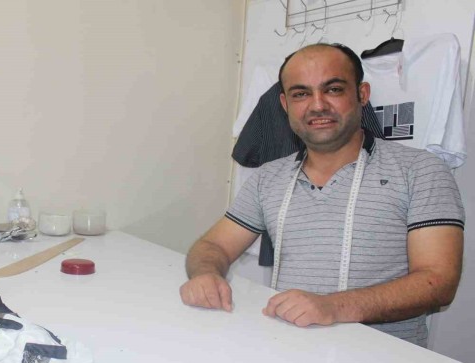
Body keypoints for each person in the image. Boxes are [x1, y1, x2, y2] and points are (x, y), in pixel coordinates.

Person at [180, 43, 465, 346]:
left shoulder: (420, 171)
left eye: (333, 89)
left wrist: (333, 307)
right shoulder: (268, 178)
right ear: (285, 104)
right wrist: (206, 274)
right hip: (290, 350)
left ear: (362, 94)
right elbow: (213, 246)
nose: (317, 105)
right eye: (301, 94)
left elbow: (437, 281)